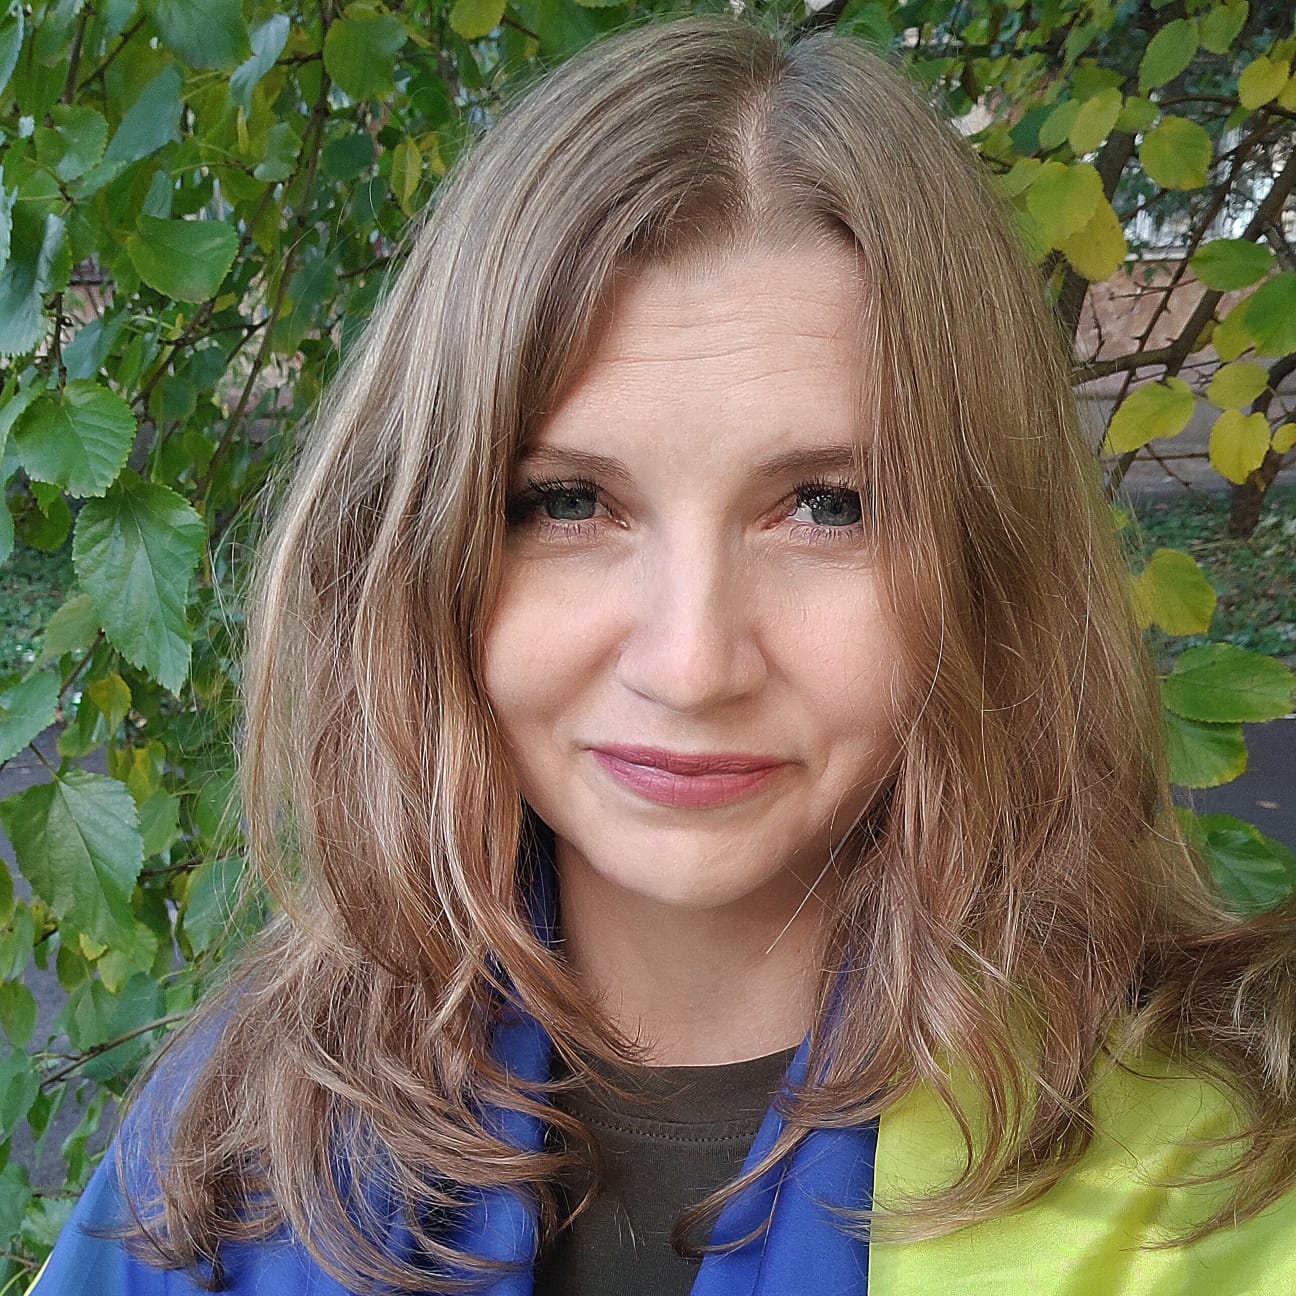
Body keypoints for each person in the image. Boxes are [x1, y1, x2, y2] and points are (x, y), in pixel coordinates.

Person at [32, 15, 1296, 1296]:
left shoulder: (1230, 1198)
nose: (691, 667)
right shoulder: (225, 1161)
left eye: (828, 506)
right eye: (569, 502)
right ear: (419, 558)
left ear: (991, 562)